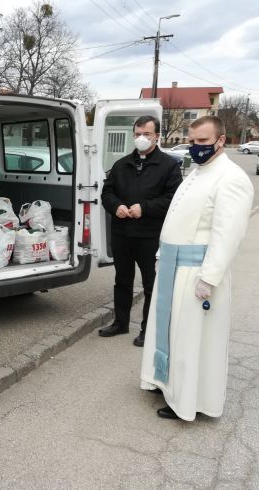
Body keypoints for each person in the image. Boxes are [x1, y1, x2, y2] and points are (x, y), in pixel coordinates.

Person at [140, 115, 254, 421]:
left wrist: (210, 277)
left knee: (189, 339)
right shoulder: (195, 172)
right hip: (173, 269)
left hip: (197, 273)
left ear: (221, 140)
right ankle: (163, 381)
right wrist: (163, 253)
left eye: (202, 141)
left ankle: (186, 400)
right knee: (167, 331)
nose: (196, 147)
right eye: (192, 141)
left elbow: (227, 235)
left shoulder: (231, 177)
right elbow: (175, 219)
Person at [99, 115, 182, 347]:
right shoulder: (122, 164)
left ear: (157, 135)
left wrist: (144, 208)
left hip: (150, 236)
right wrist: (116, 206)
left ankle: (148, 329)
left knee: (151, 284)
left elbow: (173, 199)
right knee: (122, 280)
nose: (141, 138)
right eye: (137, 134)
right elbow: (107, 193)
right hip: (122, 234)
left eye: (146, 134)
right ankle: (120, 322)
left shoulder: (169, 166)